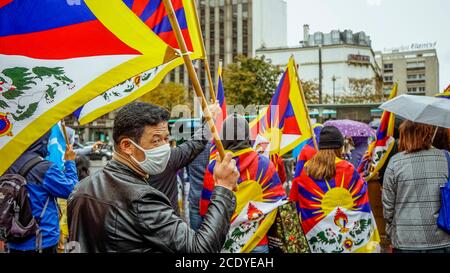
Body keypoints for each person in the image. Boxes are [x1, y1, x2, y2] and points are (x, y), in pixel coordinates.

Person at [67, 102, 239, 253]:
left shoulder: (80, 189)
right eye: (156, 141)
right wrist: (223, 188)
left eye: (166, 139)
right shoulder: (142, 200)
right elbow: (200, 249)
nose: (165, 148)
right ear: (127, 145)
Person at [201, 115, 287, 253]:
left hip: (224, 243)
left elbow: (206, 209)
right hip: (257, 241)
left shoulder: (215, 167)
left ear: (223, 137)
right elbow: (279, 200)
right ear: (248, 136)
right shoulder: (264, 164)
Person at [291, 126, 379, 253]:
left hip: (317, 237)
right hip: (348, 242)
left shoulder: (306, 170)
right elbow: (361, 196)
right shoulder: (347, 168)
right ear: (340, 147)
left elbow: (299, 202)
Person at [382, 120, 450, 253]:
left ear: (404, 136)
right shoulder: (446, 157)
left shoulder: (395, 162)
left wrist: (391, 227)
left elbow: (388, 207)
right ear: (428, 134)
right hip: (442, 238)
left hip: (406, 240)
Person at [4, 132, 78, 253]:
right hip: (42, 239)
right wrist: (70, 162)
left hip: (13, 236)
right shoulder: (44, 167)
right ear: (42, 142)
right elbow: (72, 191)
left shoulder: (6, 163)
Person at [146, 102, 221, 214]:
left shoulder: (171, 157)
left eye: (166, 139)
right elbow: (198, 142)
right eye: (156, 140)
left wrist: (209, 118)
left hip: (175, 223)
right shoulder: (120, 177)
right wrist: (210, 118)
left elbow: (197, 142)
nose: (164, 145)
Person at [187, 142, 212, 231]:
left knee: (195, 237)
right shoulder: (213, 148)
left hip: (195, 198)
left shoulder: (190, 149)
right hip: (210, 198)